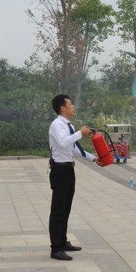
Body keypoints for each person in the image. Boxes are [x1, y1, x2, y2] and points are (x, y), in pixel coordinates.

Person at [47, 94, 98, 261]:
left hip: (68, 169)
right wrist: (80, 133)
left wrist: (93, 159)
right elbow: (63, 142)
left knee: (66, 208)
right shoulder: (57, 124)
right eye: (70, 104)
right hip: (60, 170)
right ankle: (56, 248)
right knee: (58, 210)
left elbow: (74, 148)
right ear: (62, 108)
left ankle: (63, 241)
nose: (73, 106)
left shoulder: (68, 125)